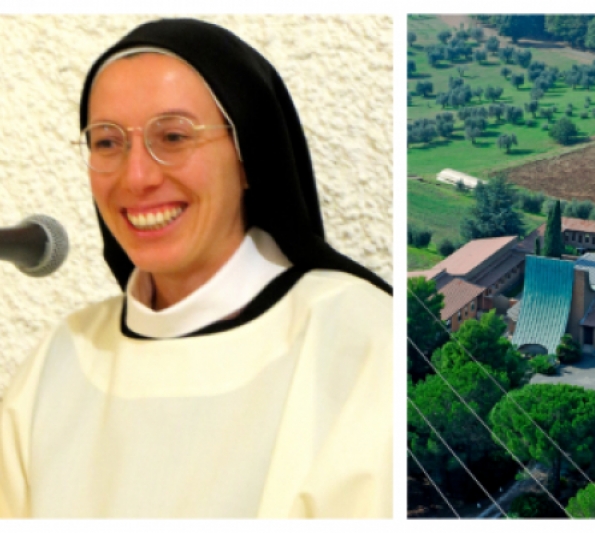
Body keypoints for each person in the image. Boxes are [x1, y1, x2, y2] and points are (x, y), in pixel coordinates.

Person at [0, 18, 392, 519]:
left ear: (248, 154)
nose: (136, 176)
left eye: (174, 136)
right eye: (106, 142)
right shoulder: (60, 360)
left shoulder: (357, 339)